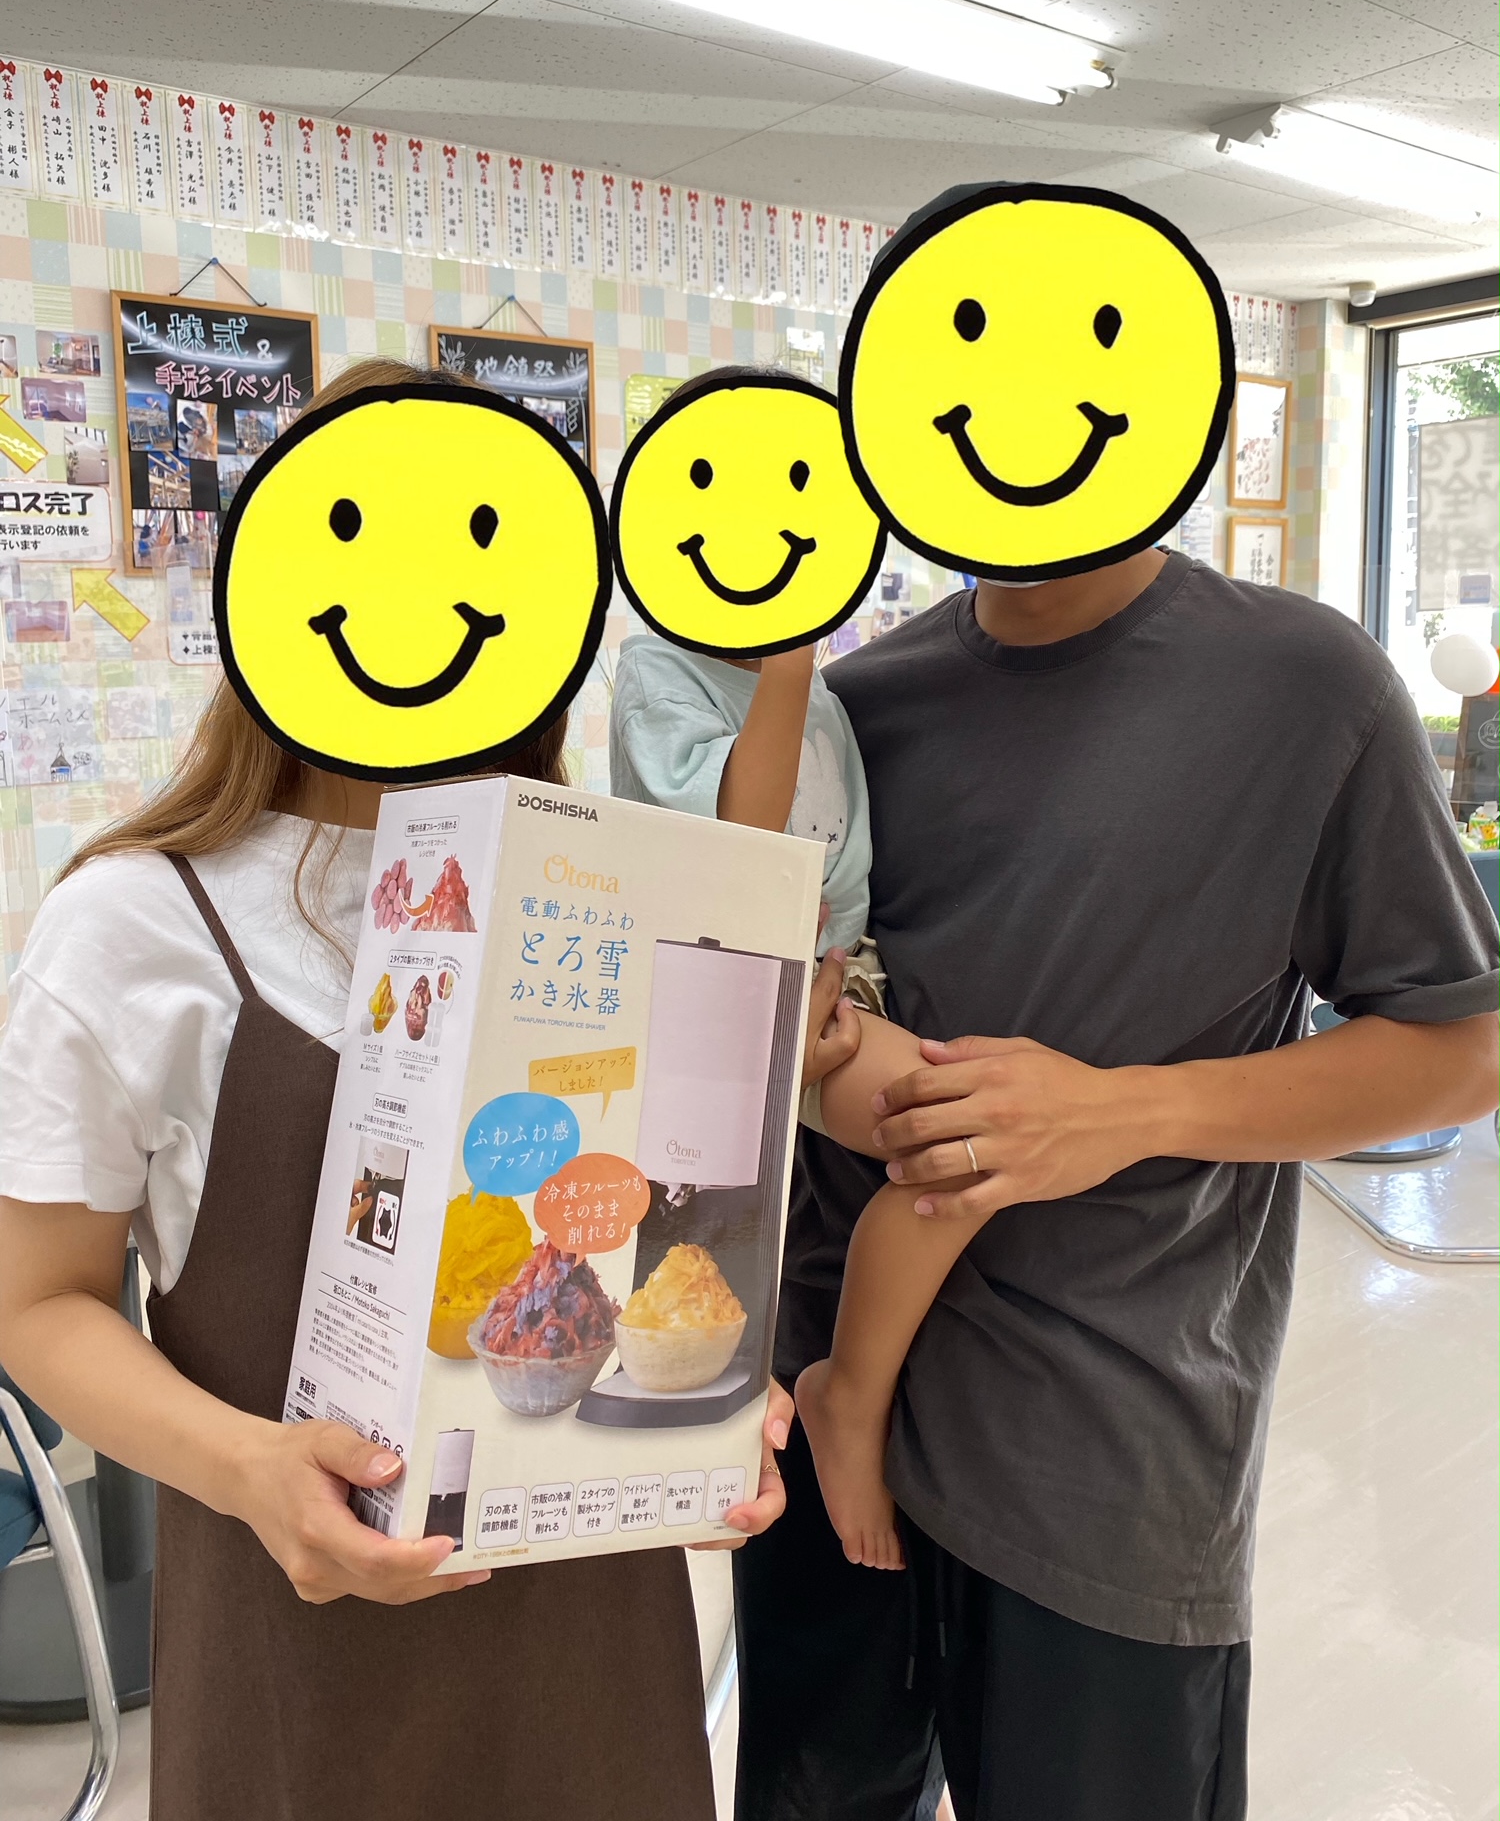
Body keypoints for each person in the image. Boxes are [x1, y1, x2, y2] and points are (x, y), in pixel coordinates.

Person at [0, 357, 812, 1821]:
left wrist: (707, 1415)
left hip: (592, 1652)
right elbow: (35, 1304)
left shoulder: (599, 891)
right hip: (294, 1659)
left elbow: (663, 1235)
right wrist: (252, 1467)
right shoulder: (134, 921)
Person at [734, 535, 1500, 1819]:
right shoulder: (855, 705)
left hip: (1102, 1460)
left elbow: (1463, 1049)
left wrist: (1123, 1111)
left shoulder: (1309, 687)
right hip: (823, 1422)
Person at [610, 368, 872, 960]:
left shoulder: (813, 687)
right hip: (721, 970)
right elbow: (743, 831)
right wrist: (791, 651)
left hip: (841, 962)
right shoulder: (657, 675)